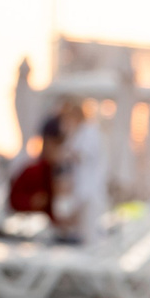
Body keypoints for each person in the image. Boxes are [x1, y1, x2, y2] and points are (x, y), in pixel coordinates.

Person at [58, 99, 109, 245]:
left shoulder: (90, 131)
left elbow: (83, 155)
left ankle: (93, 250)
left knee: (91, 225)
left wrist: (68, 153)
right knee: (83, 225)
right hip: (83, 187)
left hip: (91, 187)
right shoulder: (80, 132)